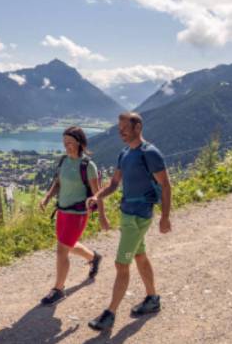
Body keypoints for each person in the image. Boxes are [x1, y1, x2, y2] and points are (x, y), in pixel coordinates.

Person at [85, 112, 172, 331]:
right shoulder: (124, 153)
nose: (121, 132)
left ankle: (110, 313)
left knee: (121, 263)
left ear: (138, 127)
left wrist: (165, 216)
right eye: (119, 128)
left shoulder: (150, 153)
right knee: (140, 255)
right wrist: (97, 196)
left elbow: (166, 185)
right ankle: (152, 298)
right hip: (127, 213)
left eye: (125, 128)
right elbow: (115, 183)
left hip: (139, 216)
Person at [39, 126, 111, 306]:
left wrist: (102, 216)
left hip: (77, 214)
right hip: (62, 211)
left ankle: (58, 289)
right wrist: (47, 197)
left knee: (62, 249)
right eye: (64, 143)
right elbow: (58, 183)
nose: (67, 146)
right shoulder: (64, 161)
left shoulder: (88, 166)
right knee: (68, 245)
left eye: (70, 143)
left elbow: (97, 194)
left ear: (79, 143)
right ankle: (94, 257)